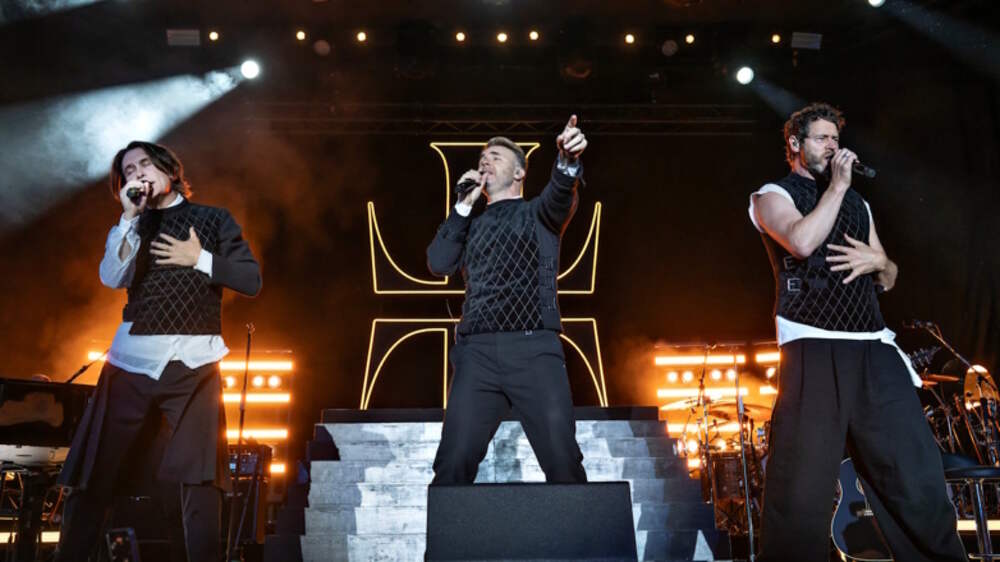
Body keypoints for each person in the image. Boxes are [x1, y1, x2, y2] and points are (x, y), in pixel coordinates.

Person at [749, 103, 966, 561]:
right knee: (801, 485)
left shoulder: (857, 203)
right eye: (821, 139)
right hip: (812, 344)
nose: (832, 147)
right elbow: (802, 242)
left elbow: (888, 277)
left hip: (872, 346)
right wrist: (838, 187)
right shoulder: (772, 195)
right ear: (795, 144)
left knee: (913, 474)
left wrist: (881, 262)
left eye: (835, 139)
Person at [56, 140, 262, 561]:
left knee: (201, 479)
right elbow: (112, 277)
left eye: (145, 164)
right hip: (131, 361)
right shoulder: (132, 225)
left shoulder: (214, 218)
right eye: (129, 172)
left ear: (170, 170)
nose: (138, 174)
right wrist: (128, 220)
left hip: (195, 363)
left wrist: (200, 258)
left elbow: (250, 280)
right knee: (94, 472)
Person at [427, 116, 589, 485]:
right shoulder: (470, 223)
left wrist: (567, 162)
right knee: (453, 460)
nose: (485, 161)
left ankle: (579, 524)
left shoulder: (538, 213)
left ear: (519, 173)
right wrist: (462, 207)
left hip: (534, 349)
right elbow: (438, 262)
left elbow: (560, 194)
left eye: (496, 157)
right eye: (482, 158)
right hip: (478, 355)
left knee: (562, 457)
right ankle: (449, 525)